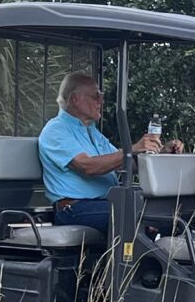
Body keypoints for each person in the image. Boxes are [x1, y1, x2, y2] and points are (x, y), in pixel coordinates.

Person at [38, 70, 162, 233]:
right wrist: (131, 149)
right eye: (96, 96)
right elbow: (88, 167)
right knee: (140, 216)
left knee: (164, 211)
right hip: (75, 208)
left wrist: (159, 153)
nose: (101, 101)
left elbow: (125, 164)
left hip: (104, 204)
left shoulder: (91, 131)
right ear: (75, 99)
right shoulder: (56, 130)